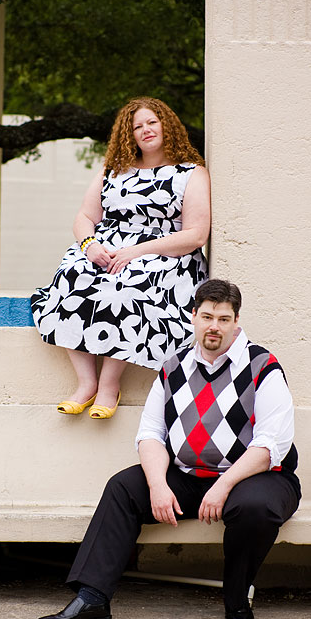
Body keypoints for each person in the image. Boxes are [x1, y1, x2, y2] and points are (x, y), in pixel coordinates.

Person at [36, 279, 301, 619]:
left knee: (255, 508)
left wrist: (223, 487)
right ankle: (92, 599)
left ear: (236, 321)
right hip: (188, 476)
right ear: (193, 315)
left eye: (223, 319)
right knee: (123, 488)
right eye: (207, 316)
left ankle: (237, 598)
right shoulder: (174, 366)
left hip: (255, 477)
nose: (214, 326)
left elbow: (271, 445)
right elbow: (151, 433)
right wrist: (158, 485)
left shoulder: (262, 366)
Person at [31, 97, 210, 419]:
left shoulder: (191, 173)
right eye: (137, 126)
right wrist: (89, 245)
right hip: (109, 247)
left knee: (128, 285)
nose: (145, 130)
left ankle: (109, 384)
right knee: (73, 273)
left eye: (151, 122)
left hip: (164, 254)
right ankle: (86, 383)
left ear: (166, 125)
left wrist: (137, 251)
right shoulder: (113, 170)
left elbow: (196, 235)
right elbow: (85, 216)